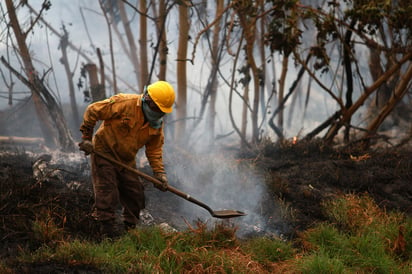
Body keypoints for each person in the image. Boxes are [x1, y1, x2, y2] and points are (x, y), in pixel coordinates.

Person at [78, 80, 175, 237]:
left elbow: (154, 149)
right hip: (105, 151)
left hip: (126, 159)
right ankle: (107, 233)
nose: (158, 113)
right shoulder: (124, 103)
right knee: (107, 192)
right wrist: (87, 138)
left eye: (161, 111)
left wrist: (159, 173)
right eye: (156, 109)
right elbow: (92, 110)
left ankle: (129, 231)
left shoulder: (155, 124)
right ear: (147, 100)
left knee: (135, 194)